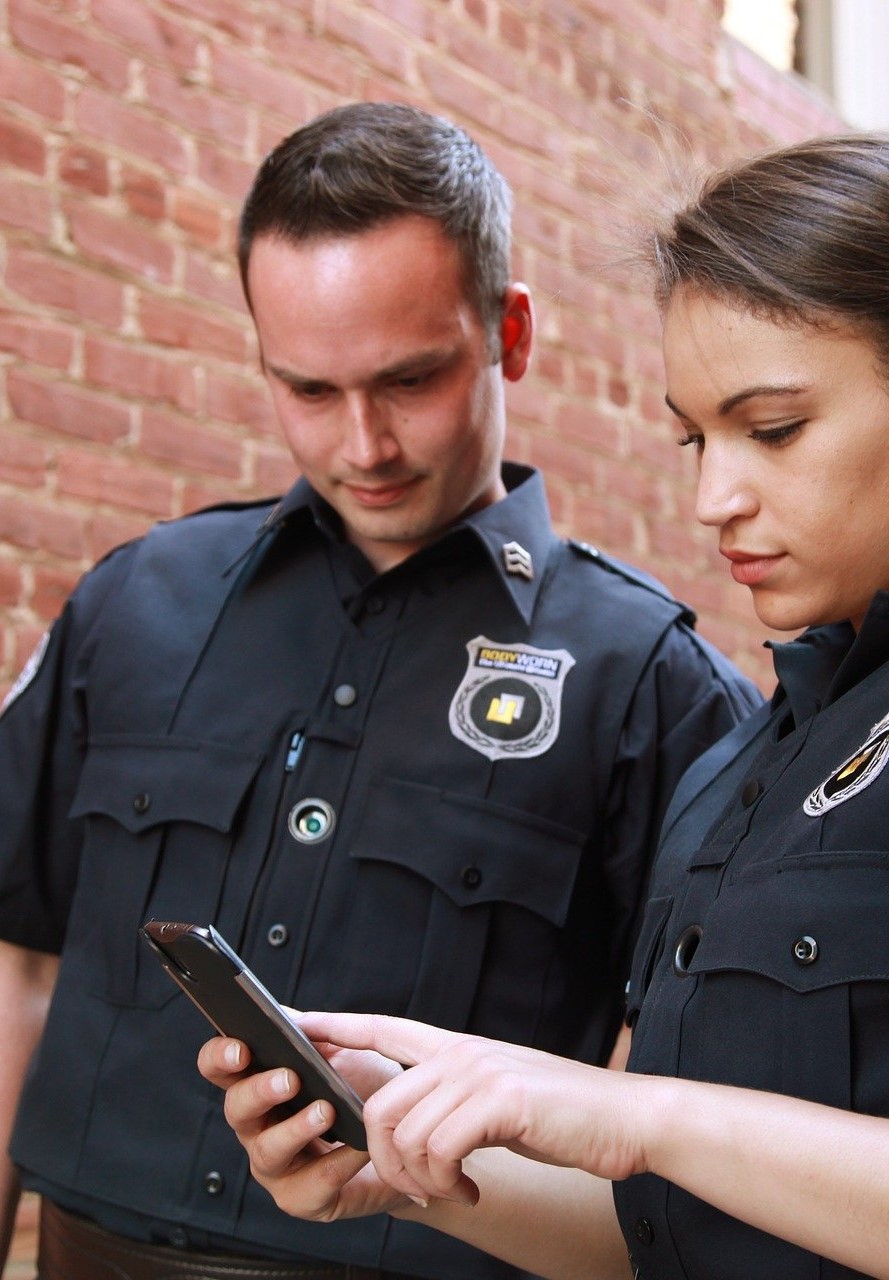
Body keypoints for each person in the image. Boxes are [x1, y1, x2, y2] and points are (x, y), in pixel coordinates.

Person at [199, 129, 889, 1280]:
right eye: (691, 436)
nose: (713, 496)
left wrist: (654, 1114)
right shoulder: (739, 764)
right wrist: (412, 1154)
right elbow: (654, 1225)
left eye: (772, 430)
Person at [0, 102, 761, 1280]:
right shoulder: (137, 601)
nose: (363, 443)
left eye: (409, 380)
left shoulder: (651, 686)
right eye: (306, 389)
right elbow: (20, 970)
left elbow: (668, 1112)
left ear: (507, 332)